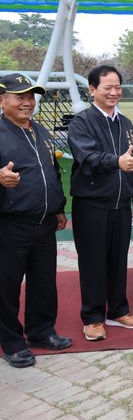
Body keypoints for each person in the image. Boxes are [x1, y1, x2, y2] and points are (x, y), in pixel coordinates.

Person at [67, 65, 133, 342]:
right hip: (92, 205)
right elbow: (87, 159)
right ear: (92, 90)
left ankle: (118, 310)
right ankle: (92, 317)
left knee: (117, 259)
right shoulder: (81, 122)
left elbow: (132, 163)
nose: (114, 93)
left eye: (118, 88)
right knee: (93, 262)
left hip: (121, 204)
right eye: (107, 88)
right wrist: (116, 162)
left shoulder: (124, 123)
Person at [0, 73, 71, 368]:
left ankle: (41, 331)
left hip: (44, 223)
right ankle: (12, 342)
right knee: (7, 286)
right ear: (2, 100)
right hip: (10, 224)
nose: (27, 103)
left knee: (43, 282)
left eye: (31, 97)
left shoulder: (41, 131)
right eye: (20, 97)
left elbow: (52, 173)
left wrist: (58, 207)